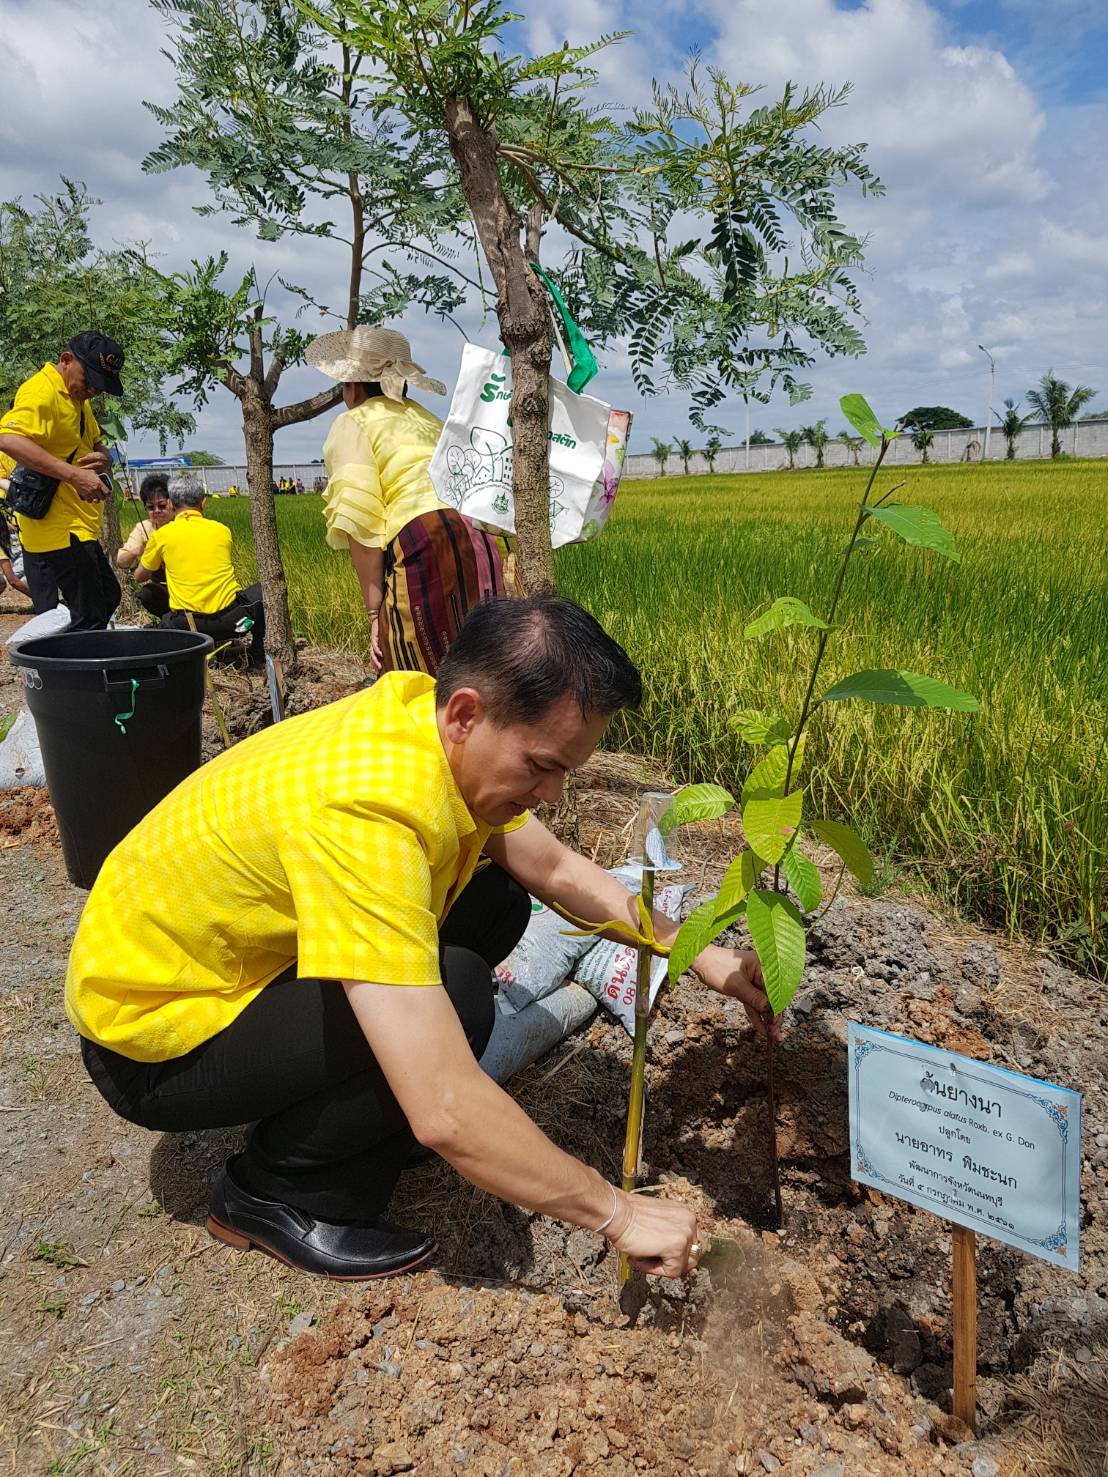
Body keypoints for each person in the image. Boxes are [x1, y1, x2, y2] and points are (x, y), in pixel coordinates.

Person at [65, 596, 778, 1283]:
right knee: (461, 993)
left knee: (498, 900)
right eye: (541, 766)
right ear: (468, 712)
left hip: (227, 966)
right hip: (152, 1037)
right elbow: (443, 1105)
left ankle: (358, 1108)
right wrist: (618, 1212)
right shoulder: (369, 815)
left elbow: (556, 867)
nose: (554, 796)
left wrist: (698, 952)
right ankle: (275, 1189)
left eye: (567, 771)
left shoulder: (423, 720)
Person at [308, 325, 504, 677]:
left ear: (351, 387)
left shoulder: (352, 423)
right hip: (478, 536)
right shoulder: (426, 418)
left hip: (424, 540)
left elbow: (361, 522)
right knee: (483, 666)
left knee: (408, 674)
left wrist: (374, 616)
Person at [0, 333, 124, 630]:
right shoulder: (41, 391)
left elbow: (95, 441)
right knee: (90, 613)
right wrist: (73, 475)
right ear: (66, 360)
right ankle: (71, 671)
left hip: (79, 523)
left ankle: (61, 655)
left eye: (100, 384)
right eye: (89, 379)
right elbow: (9, 439)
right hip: (57, 526)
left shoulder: (77, 397)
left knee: (108, 597)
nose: (94, 389)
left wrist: (103, 458)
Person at [136, 475, 265, 667]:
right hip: (233, 622)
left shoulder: (162, 535)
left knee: (147, 593)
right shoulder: (222, 530)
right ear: (203, 502)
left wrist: (150, 555)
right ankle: (258, 652)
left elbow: (140, 576)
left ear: (171, 504)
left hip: (187, 625)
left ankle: (184, 644)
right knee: (266, 588)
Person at [116, 475, 174, 619]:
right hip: (163, 586)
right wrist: (139, 550)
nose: (156, 511)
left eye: (162, 506)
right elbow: (122, 562)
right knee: (147, 594)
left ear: (173, 503)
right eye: (150, 507)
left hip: (189, 585)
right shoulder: (143, 528)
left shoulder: (184, 524)